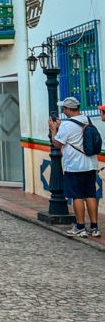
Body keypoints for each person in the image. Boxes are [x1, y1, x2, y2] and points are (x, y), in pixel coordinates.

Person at [49, 96, 100, 238]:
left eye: (64, 108)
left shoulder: (66, 125)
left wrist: (54, 130)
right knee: (90, 195)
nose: (63, 111)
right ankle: (95, 227)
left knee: (77, 196)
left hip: (74, 166)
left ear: (69, 109)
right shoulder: (87, 120)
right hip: (90, 165)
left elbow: (57, 144)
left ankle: (80, 226)